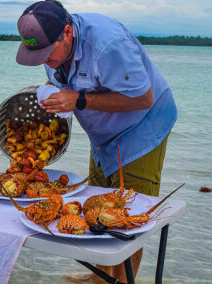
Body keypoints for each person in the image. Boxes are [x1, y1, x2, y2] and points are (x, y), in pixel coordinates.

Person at [15, 0, 177, 282]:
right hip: (102, 136)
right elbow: (63, 85)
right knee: (95, 210)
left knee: (129, 218)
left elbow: (143, 98)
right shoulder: (54, 51)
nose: (44, 61)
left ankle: (121, 279)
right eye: (36, 55)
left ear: (67, 32)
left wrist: (78, 100)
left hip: (142, 127)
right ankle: (102, 276)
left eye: (47, 53)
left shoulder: (108, 45)